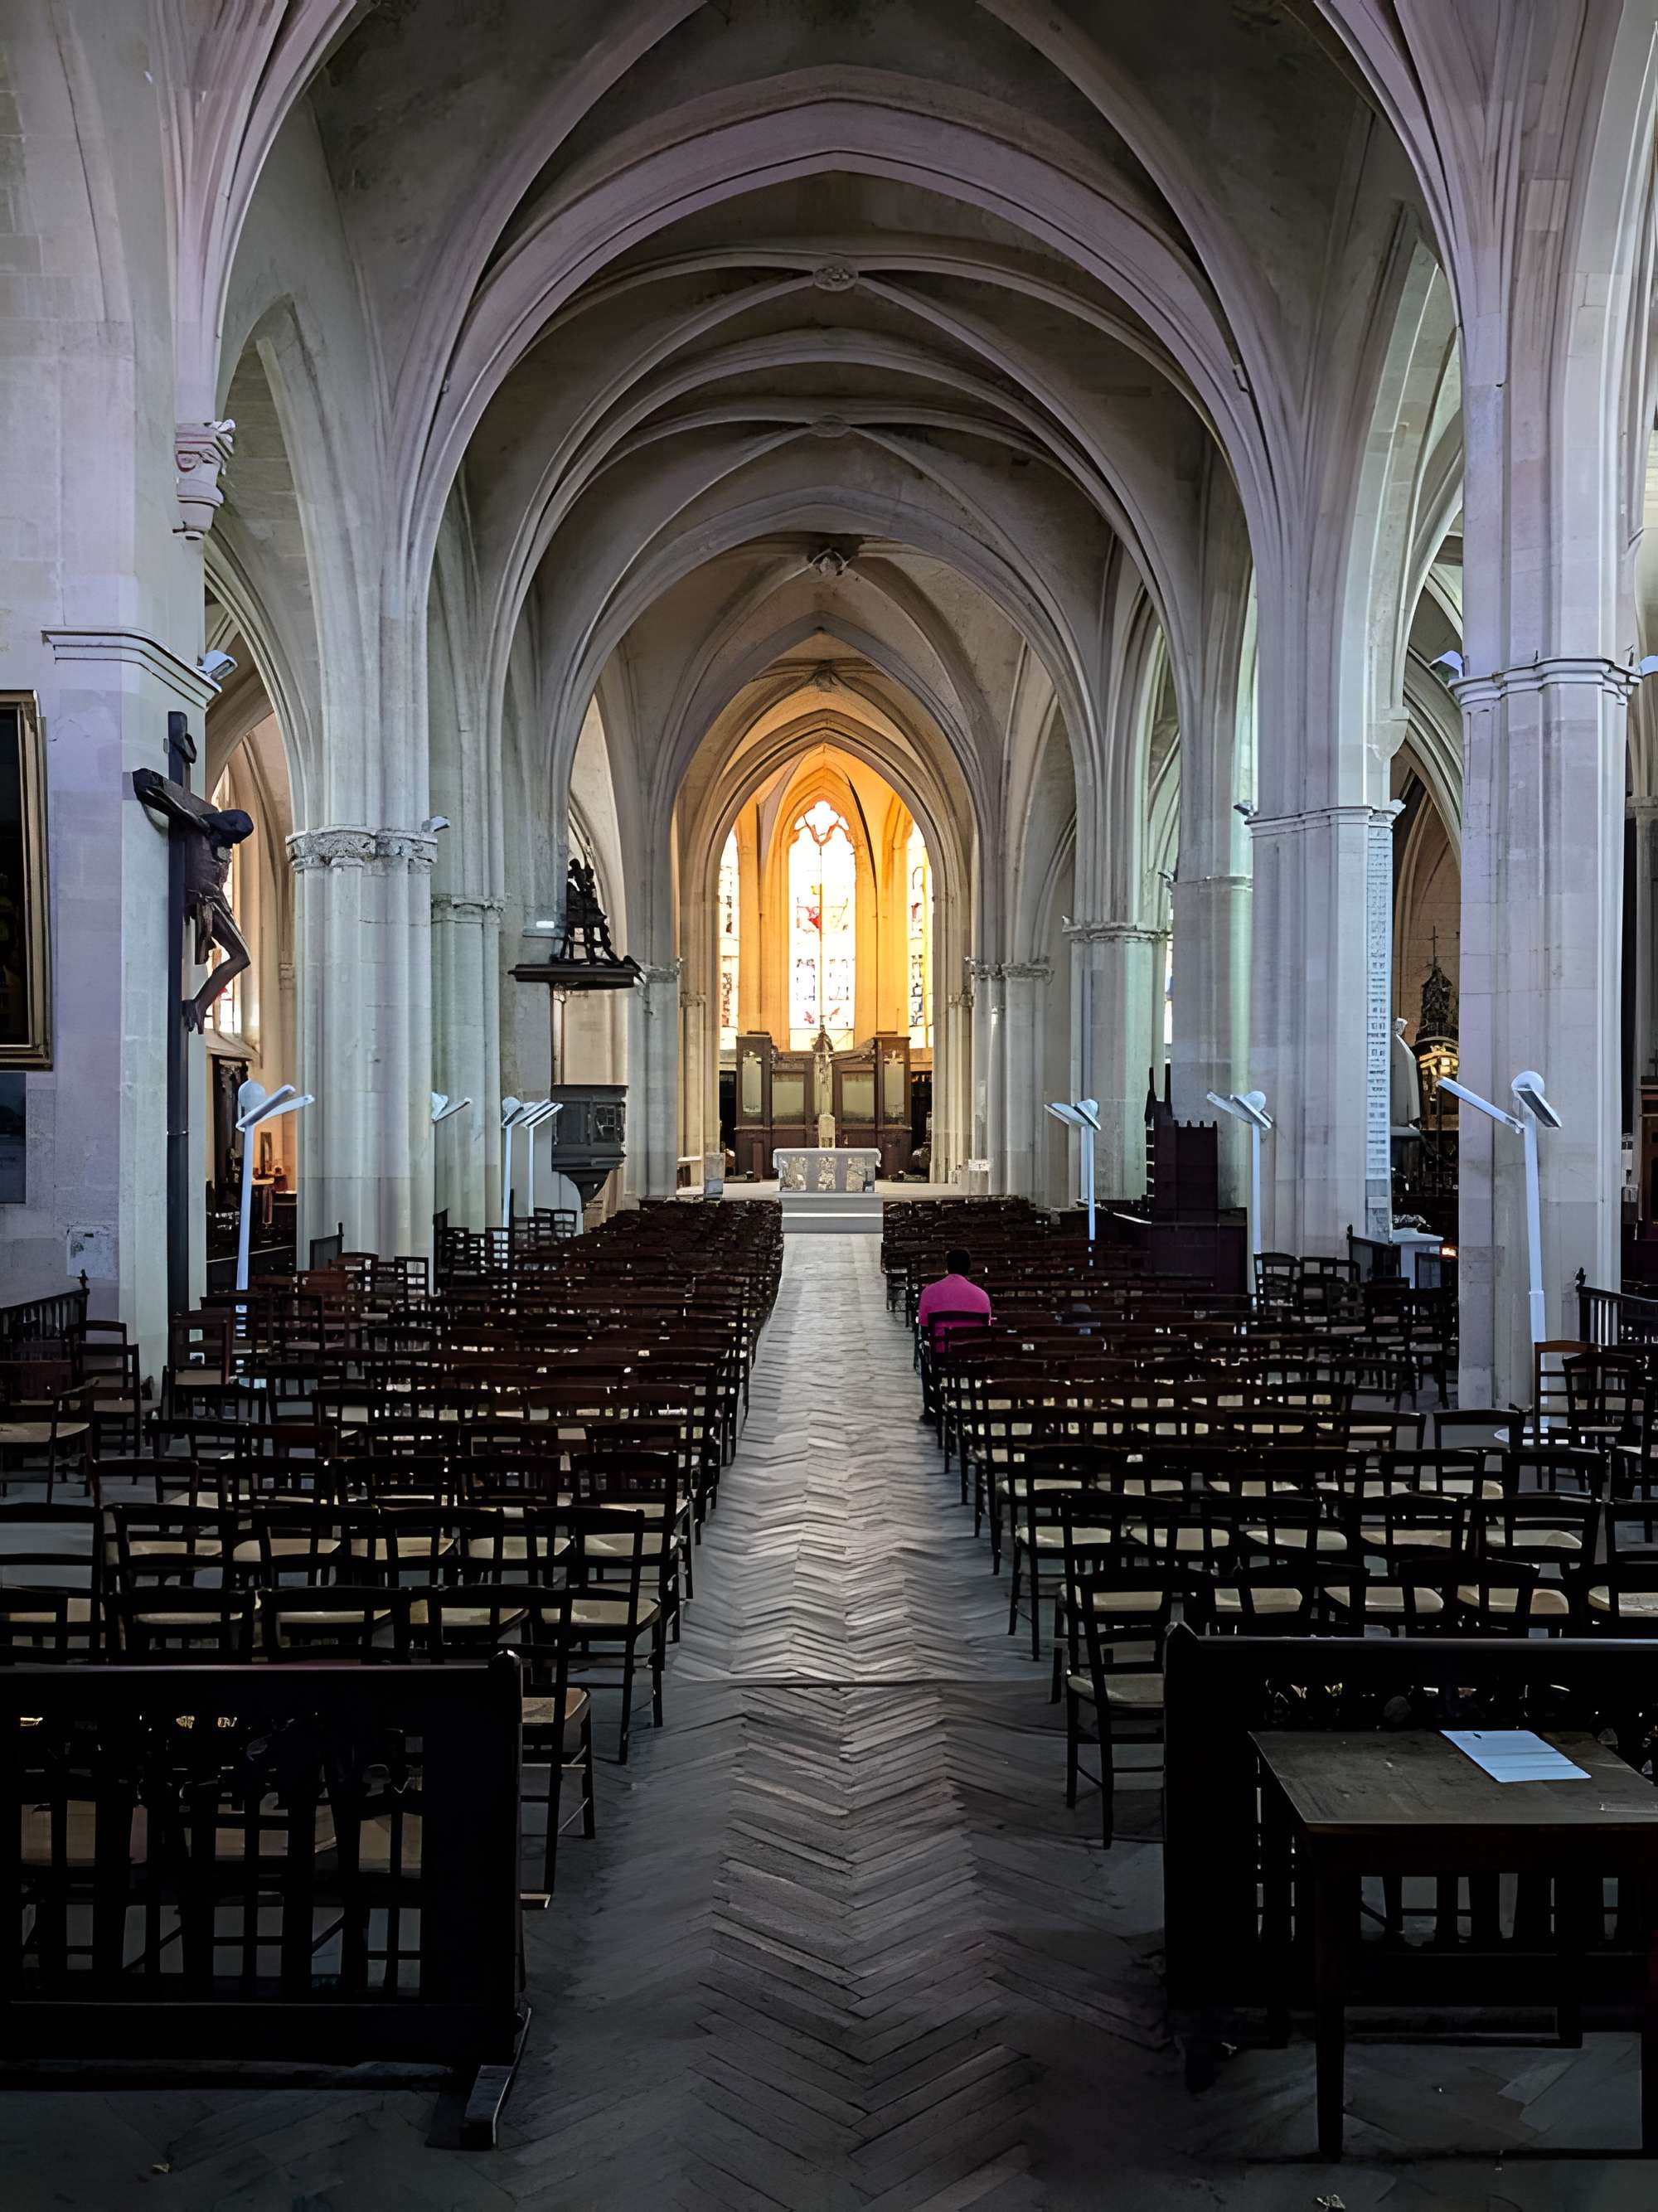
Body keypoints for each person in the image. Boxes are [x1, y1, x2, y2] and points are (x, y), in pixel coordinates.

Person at [916, 1247, 992, 1422]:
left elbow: (925, 1327)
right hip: (972, 1352)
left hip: (942, 1353)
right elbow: (985, 1328)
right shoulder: (982, 1296)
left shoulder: (929, 1292)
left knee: (923, 1348)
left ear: (947, 1267)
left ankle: (932, 1408)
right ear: (969, 1268)